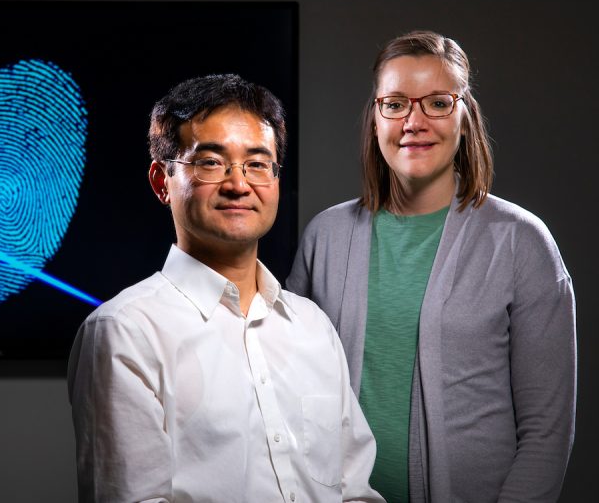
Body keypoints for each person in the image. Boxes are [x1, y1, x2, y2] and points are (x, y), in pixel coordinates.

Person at [287, 29, 577, 502]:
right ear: (375, 118)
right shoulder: (326, 235)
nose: (414, 121)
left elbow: (546, 432)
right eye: (396, 103)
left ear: (465, 117)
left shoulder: (521, 241)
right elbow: (287, 391)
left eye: (438, 103)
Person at [67, 73, 384, 503]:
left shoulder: (314, 328)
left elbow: (356, 492)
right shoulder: (125, 332)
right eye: (211, 162)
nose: (239, 184)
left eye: (257, 163)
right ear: (162, 182)